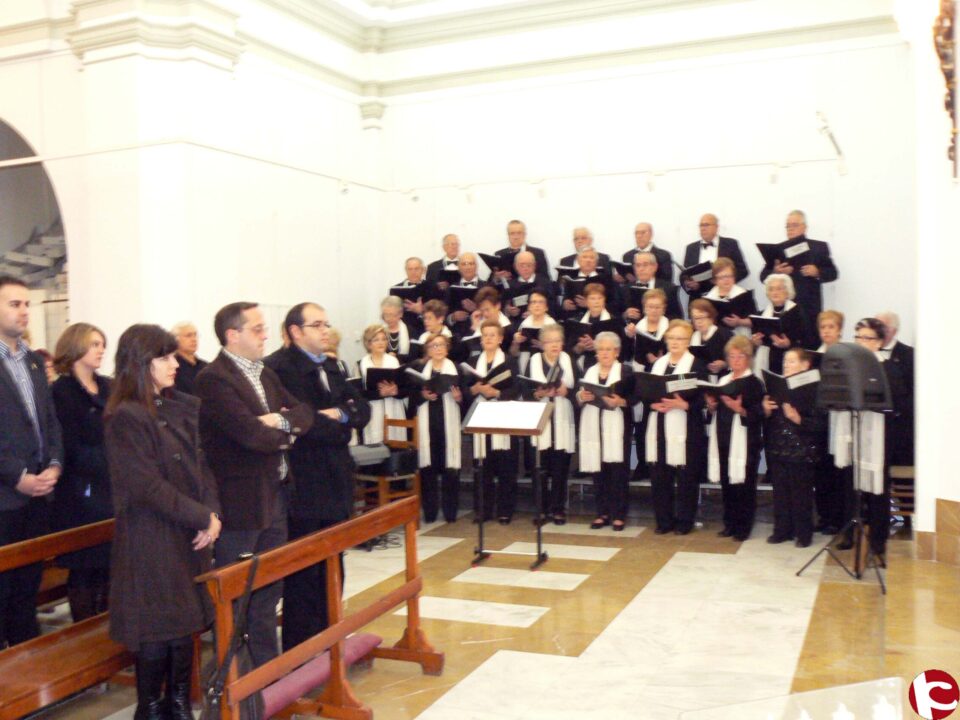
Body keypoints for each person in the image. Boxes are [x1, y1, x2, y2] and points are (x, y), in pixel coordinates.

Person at [104, 324, 221, 720]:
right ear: (141, 363)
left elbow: (201, 467)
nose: (175, 364)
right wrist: (200, 515)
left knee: (184, 621)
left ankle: (177, 703)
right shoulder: (126, 416)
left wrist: (212, 514)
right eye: (165, 357)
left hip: (185, 531)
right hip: (151, 534)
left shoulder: (175, 407)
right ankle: (152, 708)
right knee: (157, 626)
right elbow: (146, 487)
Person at [196, 301, 314, 668]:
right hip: (241, 503)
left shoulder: (264, 373)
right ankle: (235, 681)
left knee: (267, 591)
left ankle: (267, 672)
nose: (266, 335)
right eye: (258, 328)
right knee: (236, 594)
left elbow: (304, 413)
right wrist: (286, 431)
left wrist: (278, 422)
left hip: (275, 494)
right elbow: (248, 435)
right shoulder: (213, 379)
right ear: (234, 334)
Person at [264, 302, 370, 651]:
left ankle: (330, 636)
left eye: (326, 324)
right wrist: (340, 421)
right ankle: (302, 647)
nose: (325, 330)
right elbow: (303, 423)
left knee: (335, 562)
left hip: (337, 477)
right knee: (304, 570)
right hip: (304, 482)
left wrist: (335, 416)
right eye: (317, 325)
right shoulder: (277, 368)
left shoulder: (333, 364)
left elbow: (361, 410)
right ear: (295, 332)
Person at [0, 276, 63, 649]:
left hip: (38, 494)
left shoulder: (34, 362)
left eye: (27, 304)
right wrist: (18, 476)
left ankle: (27, 669)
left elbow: (50, 421)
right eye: (14, 304)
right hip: (5, 496)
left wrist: (54, 465)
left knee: (26, 588)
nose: (24, 311)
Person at [51, 322, 112, 621]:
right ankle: (85, 630)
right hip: (80, 493)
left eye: (102, 344)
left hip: (110, 488)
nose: (101, 350)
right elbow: (69, 445)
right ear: (76, 347)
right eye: (94, 344)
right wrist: (110, 460)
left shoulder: (108, 386)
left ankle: (107, 630)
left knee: (110, 566)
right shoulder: (62, 391)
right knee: (85, 567)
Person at [843, 318, 906, 561]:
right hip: (857, 434)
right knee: (852, 486)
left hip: (881, 437)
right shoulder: (850, 367)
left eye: (867, 338)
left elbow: (898, 404)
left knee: (878, 492)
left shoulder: (888, 368)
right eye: (858, 337)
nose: (861, 342)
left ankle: (878, 544)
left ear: (879, 342)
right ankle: (852, 535)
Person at [645, 320, 707, 535]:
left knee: (686, 478)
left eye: (680, 338)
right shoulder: (657, 365)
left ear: (688, 341)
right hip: (660, 425)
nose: (675, 342)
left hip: (687, 428)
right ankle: (663, 521)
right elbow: (645, 392)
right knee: (660, 476)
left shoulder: (697, 365)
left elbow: (705, 399)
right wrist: (651, 404)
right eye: (671, 338)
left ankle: (684, 522)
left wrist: (685, 405)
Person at [762, 347, 827, 548]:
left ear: (805, 365)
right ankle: (782, 530)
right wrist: (765, 409)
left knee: (801, 493)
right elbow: (767, 417)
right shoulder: (777, 386)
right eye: (785, 361)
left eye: (791, 361)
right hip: (778, 445)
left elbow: (821, 423)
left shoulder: (815, 388)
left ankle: (803, 534)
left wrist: (797, 418)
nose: (786, 365)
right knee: (780, 491)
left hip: (802, 447)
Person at [704, 336, 765, 541]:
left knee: (744, 485)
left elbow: (759, 414)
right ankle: (729, 523)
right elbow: (716, 411)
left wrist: (739, 409)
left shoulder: (754, 383)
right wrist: (712, 407)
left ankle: (743, 527)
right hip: (723, 438)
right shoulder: (723, 380)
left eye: (740, 356)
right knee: (727, 484)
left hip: (745, 442)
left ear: (748, 359)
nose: (736, 360)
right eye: (732, 356)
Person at [576, 331, 632, 531]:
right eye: (601, 349)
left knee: (618, 472)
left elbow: (635, 398)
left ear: (616, 352)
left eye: (609, 349)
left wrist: (621, 401)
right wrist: (582, 396)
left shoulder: (625, 371)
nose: (605, 353)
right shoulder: (590, 370)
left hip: (617, 427)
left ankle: (619, 514)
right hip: (593, 425)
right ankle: (602, 512)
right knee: (598, 472)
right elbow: (579, 395)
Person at [467, 320, 520, 524]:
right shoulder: (472, 363)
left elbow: (517, 389)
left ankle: (506, 510)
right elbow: (463, 391)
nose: (488, 338)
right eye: (485, 335)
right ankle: (483, 509)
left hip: (504, 416)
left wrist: (496, 392)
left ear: (500, 339)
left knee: (506, 465)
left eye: (492, 335)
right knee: (482, 466)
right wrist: (475, 390)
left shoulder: (509, 361)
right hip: (480, 416)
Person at [525, 324, 577, 525]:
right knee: (540, 470)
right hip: (541, 420)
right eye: (549, 341)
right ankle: (540, 509)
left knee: (560, 470)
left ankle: (558, 509)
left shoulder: (568, 360)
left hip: (562, 419)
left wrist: (567, 392)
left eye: (558, 341)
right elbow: (526, 389)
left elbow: (579, 389)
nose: (554, 345)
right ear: (542, 344)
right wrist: (539, 393)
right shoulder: (534, 361)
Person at [410, 333, 464, 523]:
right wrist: (422, 396)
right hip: (428, 425)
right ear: (427, 350)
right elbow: (411, 400)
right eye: (433, 346)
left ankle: (451, 512)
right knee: (428, 470)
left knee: (450, 469)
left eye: (441, 345)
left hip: (448, 425)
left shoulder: (455, 369)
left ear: (447, 348)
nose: (438, 349)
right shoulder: (419, 369)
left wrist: (459, 399)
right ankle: (430, 512)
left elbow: (465, 399)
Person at [759, 210, 838, 333]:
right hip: (784, 309)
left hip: (809, 308)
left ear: (805, 228)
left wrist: (817, 272)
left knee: (809, 345)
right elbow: (763, 277)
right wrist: (776, 272)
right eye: (787, 226)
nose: (790, 229)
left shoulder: (818, 247)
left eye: (794, 225)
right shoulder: (778, 249)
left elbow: (833, 273)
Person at [815, 310, 848, 535]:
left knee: (839, 473)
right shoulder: (814, 356)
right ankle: (824, 516)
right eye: (823, 327)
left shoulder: (846, 355)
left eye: (831, 327)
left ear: (839, 330)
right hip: (819, 420)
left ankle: (840, 518)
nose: (826, 331)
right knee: (821, 472)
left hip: (839, 419)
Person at [751, 273, 810, 375]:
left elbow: (806, 337)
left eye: (779, 289)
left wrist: (789, 343)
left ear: (788, 291)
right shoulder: (761, 315)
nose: (775, 292)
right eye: (771, 289)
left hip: (791, 361)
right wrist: (756, 342)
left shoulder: (797, 312)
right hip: (767, 360)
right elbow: (758, 338)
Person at [876, 311, 914, 466]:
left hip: (899, 425)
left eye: (881, 326)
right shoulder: (865, 354)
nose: (876, 330)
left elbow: (912, 391)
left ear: (894, 331)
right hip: (874, 424)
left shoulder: (909, 354)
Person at [357, 324, 406, 445]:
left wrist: (396, 391)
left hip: (394, 409)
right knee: (376, 453)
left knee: (395, 451)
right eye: (376, 339)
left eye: (384, 339)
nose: (381, 343)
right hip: (373, 412)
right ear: (368, 343)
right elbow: (359, 394)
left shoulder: (394, 361)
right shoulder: (361, 364)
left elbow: (405, 390)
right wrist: (379, 393)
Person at [681, 214, 749, 301]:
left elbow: (743, 271)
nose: (703, 228)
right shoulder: (691, 248)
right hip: (698, 300)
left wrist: (725, 281)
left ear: (716, 227)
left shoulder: (730, 244)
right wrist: (689, 284)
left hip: (725, 297)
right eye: (701, 225)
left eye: (706, 225)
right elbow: (686, 273)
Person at [569, 282, 621, 372]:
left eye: (600, 298)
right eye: (592, 298)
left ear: (604, 300)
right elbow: (570, 350)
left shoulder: (614, 322)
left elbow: (620, 351)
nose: (596, 302)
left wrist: (597, 346)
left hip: (607, 365)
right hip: (580, 364)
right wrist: (579, 347)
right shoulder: (576, 320)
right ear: (586, 301)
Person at [619, 251, 683, 321]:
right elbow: (617, 315)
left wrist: (659, 318)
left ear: (655, 267)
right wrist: (625, 315)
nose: (641, 269)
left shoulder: (669, 288)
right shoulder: (625, 289)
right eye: (638, 265)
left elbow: (677, 316)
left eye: (645, 265)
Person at [703, 257, 757, 336]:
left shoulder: (744, 294)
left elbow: (754, 322)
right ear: (715, 280)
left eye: (729, 276)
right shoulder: (709, 298)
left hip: (740, 337)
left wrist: (739, 322)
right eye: (721, 277)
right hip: (717, 338)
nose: (726, 280)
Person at [510, 288, 556, 374]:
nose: (537, 305)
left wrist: (543, 347)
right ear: (529, 307)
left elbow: (558, 352)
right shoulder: (524, 324)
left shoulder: (551, 324)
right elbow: (514, 354)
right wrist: (515, 342)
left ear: (546, 307)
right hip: (524, 365)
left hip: (546, 367)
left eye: (540, 302)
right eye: (533, 302)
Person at [492, 219, 551, 284]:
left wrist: (529, 275)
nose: (516, 237)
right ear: (508, 236)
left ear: (525, 234)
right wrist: (496, 278)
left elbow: (546, 279)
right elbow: (490, 282)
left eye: (519, 233)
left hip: (531, 290)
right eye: (512, 233)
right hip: (509, 292)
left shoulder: (538, 253)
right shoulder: (499, 254)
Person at [689, 298, 733, 378]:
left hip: (724, 378)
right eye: (695, 318)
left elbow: (737, 359)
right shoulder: (692, 337)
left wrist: (725, 364)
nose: (699, 322)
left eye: (702, 317)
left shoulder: (724, 335)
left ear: (711, 317)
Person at [390, 256, 428, 335]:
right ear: (406, 270)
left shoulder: (431, 287)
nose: (413, 272)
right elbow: (393, 314)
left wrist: (422, 311)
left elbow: (437, 313)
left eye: (416, 269)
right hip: (404, 331)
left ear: (423, 270)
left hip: (427, 329)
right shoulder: (395, 290)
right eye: (410, 269)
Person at [171, 322, 207, 395]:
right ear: (175, 340)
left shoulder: (206, 366)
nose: (194, 339)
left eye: (195, 335)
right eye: (188, 335)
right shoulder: (172, 368)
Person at [380, 295, 416, 363]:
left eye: (392, 315)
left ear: (401, 314)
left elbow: (414, 357)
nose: (388, 319)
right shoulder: (379, 331)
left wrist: (396, 357)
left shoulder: (411, 331)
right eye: (386, 315)